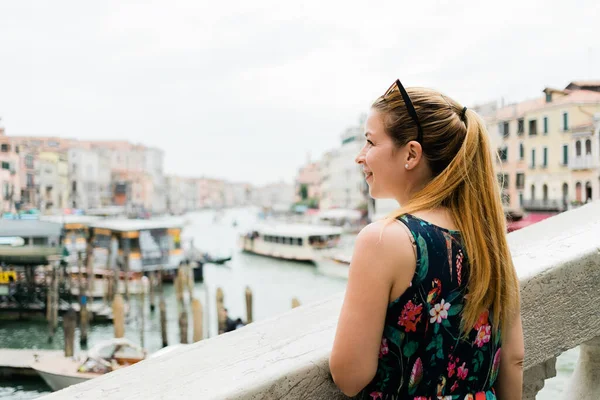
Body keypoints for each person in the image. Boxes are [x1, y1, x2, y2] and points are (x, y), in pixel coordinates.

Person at [329, 80, 524, 399]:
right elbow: (514, 360)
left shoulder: (384, 240)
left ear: (411, 154)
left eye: (370, 142)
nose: (360, 157)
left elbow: (350, 376)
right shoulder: (488, 238)